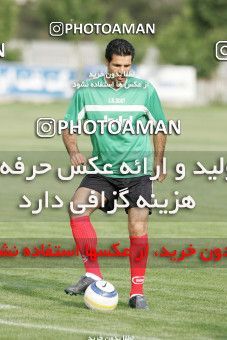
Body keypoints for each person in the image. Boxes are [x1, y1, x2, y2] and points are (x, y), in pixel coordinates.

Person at [62, 38, 167, 309]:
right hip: (103, 171)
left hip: (138, 171)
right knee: (77, 208)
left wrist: (159, 160)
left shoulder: (145, 91)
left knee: (137, 227)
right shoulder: (87, 92)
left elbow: (160, 127)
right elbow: (68, 126)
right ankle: (92, 273)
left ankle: (136, 292)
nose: (122, 71)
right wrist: (73, 151)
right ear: (106, 63)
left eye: (127, 66)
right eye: (117, 65)